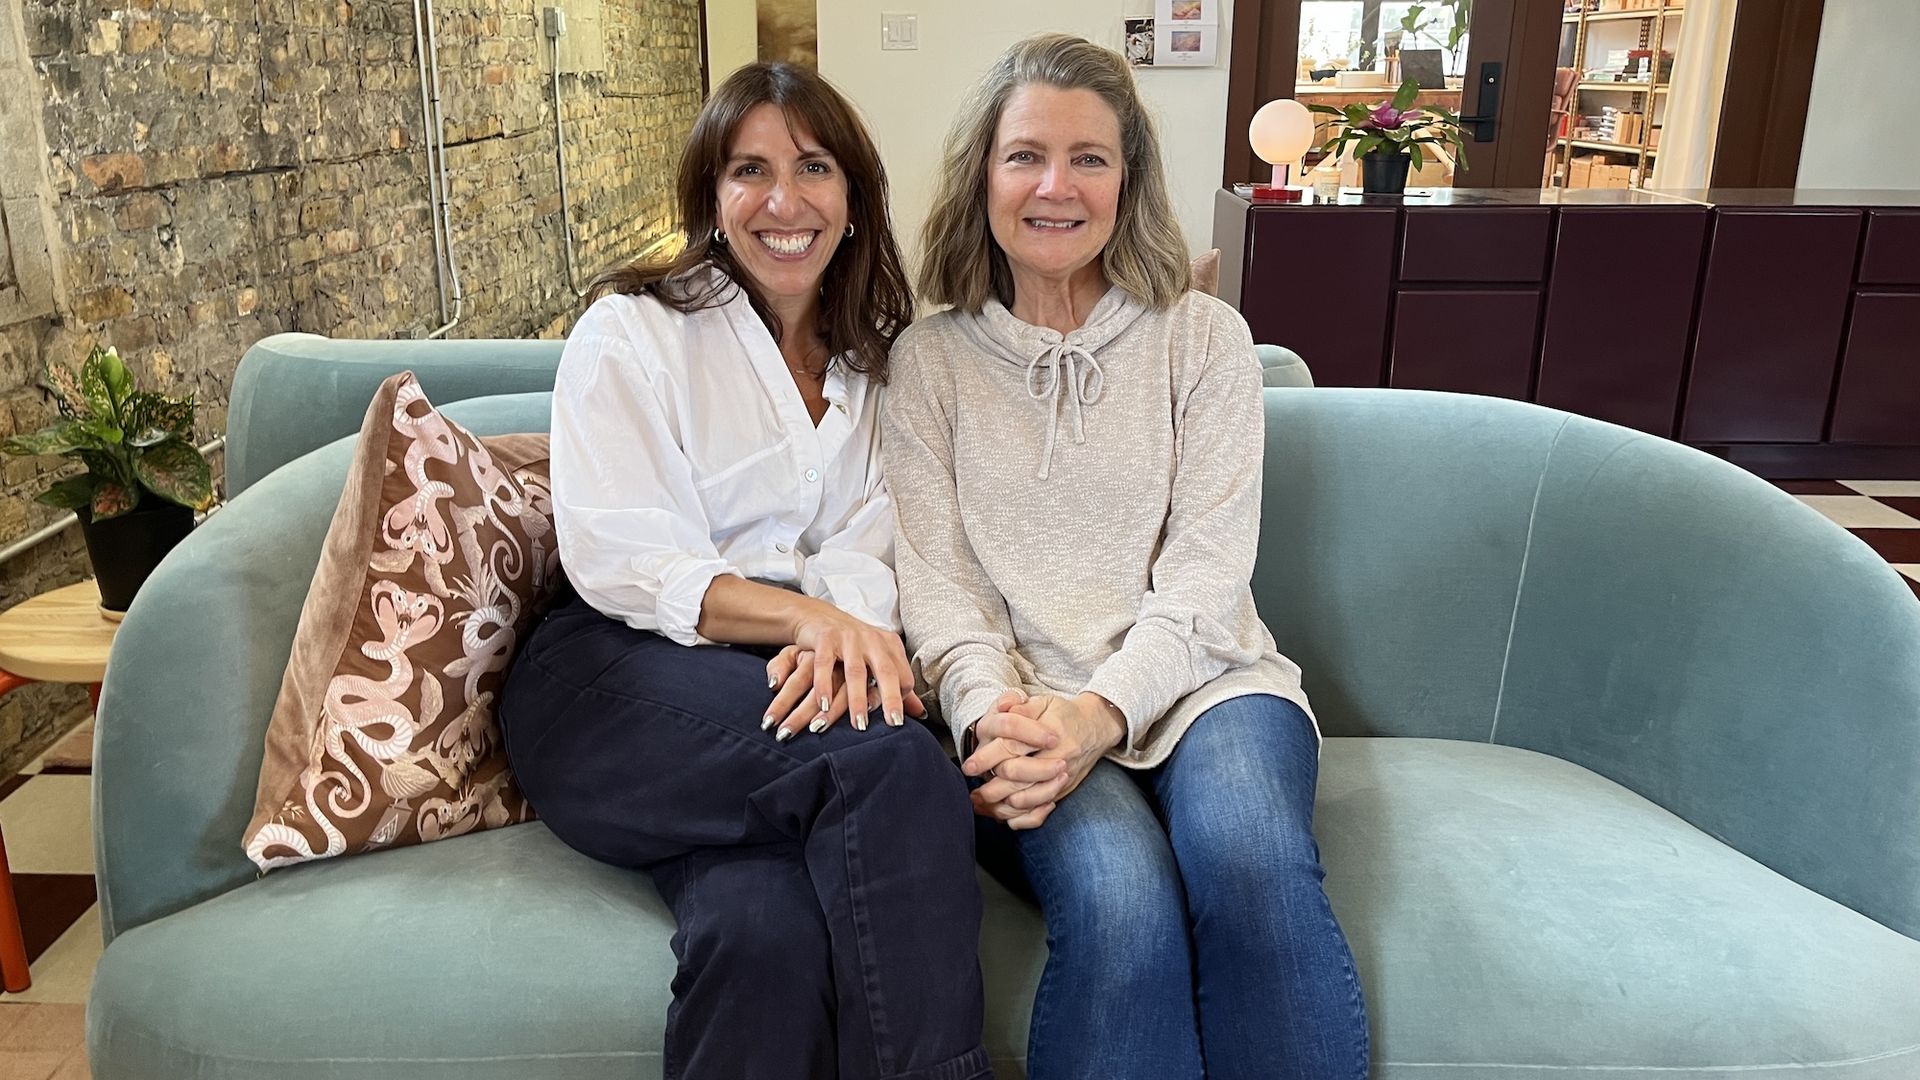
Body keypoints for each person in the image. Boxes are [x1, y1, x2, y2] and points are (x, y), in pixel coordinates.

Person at [884, 33, 1370, 1080]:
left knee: (1247, 858)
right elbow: (937, 588)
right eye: (1025, 156)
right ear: (983, 174)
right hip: (1022, 707)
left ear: (1129, 179)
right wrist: (990, 716)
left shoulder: (1206, 343)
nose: (1055, 186)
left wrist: (1100, 715)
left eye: (1089, 159)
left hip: (1208, 688)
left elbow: (1205, 579)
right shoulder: (925, 365)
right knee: (1119, 901)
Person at [499, 62, 994, 1080]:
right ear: (711, 198)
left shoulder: (880, 362)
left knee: (761, 933)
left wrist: (843, 631)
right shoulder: (634, 332)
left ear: (854, 199)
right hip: (611, 685)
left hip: (772, 706)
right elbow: (622, 555)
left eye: (814, 168)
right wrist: (810, 625)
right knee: (894, 763)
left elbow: (873, 542)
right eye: (749, 171)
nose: (783, 201)